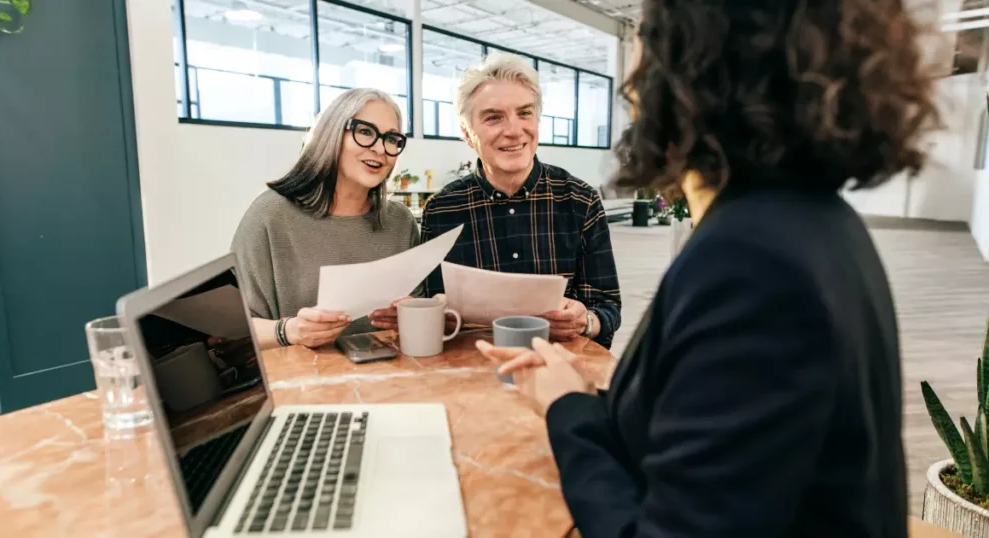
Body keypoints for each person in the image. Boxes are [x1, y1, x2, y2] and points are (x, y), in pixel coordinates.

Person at [477, 0, 941, 536]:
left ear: (691, 69)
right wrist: (579, 401)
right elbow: (700, 428)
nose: (631, 80)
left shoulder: (752, 264)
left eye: (645, 43)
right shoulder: (811, 221)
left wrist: (565, 412)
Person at [418, 52, 622, 348]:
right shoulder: (442, 210)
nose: (514, 131)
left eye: (524, 113)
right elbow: (433, 309)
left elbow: (607, 307)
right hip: (473, 373)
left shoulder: (580, 200)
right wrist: (438, 314)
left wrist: (586, 321)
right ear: (466, 132)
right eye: (494, 117)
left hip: (561, 371)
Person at [231, 88, 418, 351]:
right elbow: (230, 333)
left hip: (391, 381)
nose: (380, 148)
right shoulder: (270, 215)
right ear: (331, 134)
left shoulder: (400, 222)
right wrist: (290, 330)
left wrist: (409, 317)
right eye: (365, 131)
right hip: (302, 384)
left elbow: (418, 306)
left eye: (391, 138)